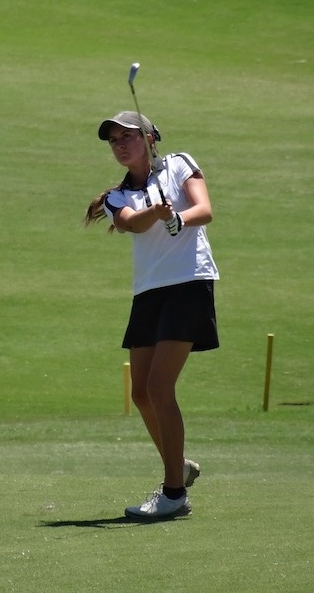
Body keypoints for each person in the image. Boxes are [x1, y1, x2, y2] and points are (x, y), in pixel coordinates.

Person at [85, 111, 219, 520]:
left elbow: (204, 209)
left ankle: (174, 493)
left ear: (149, 138)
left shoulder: (180, 164)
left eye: (128, 137)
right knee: (141, 392)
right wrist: (156, 214)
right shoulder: (115, 196)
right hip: (149, 292)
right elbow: (132, 225)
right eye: (114, 141)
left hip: (189, 282)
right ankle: (177, 466)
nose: (121, 145)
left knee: (160, 388)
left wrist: (177, 216)